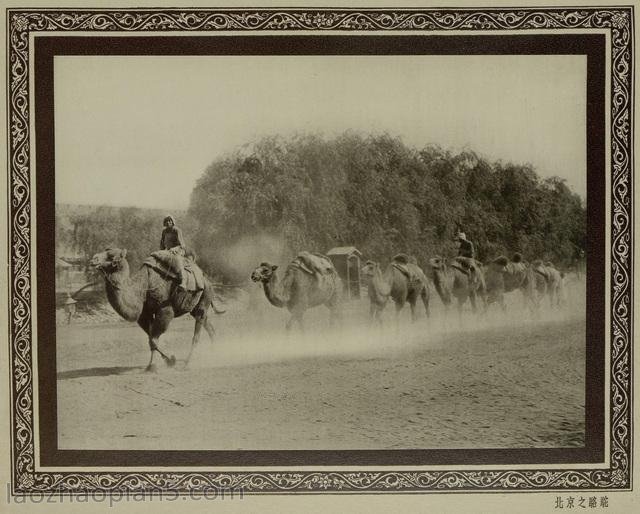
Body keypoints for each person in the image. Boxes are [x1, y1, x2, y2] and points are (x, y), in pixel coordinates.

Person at [160, 215, 186, 287]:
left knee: (177, 259)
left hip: (178, 250)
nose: (168, 222)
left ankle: (183, 280)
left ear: (172, 221)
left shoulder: (177, 230)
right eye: (167, 221)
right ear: (164, 223)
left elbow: (182, 245)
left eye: (170, 220)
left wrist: (174, 249)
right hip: (168, 251)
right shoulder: (164, 231)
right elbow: (162, 243)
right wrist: (161, 252)